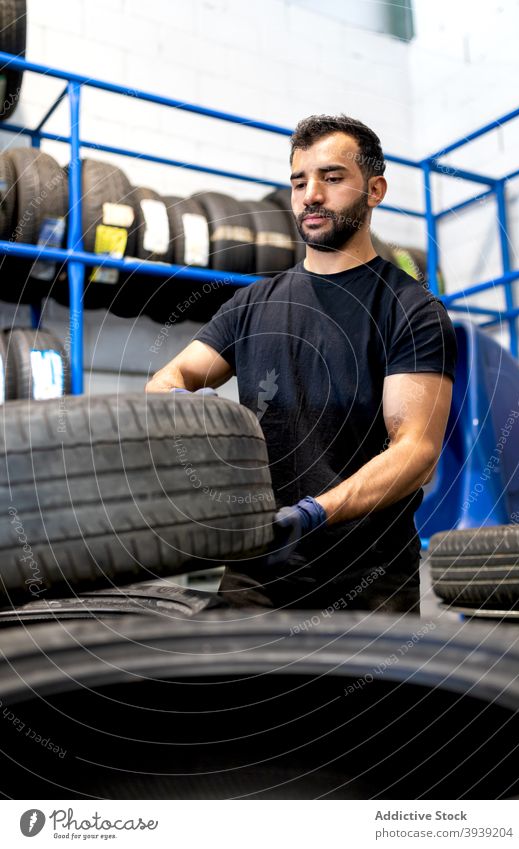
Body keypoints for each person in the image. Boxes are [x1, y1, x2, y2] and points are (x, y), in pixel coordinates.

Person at [146, 114, 457, 615]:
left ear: (374, 190)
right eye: (298, 181)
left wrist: (315, 512)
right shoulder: (251, 304)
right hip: (255, 573)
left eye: (331, 178)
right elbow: (170, 378)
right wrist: (182, 411)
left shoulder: (410, 310)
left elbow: (416, 451)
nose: (311, 194)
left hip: (367, 582)